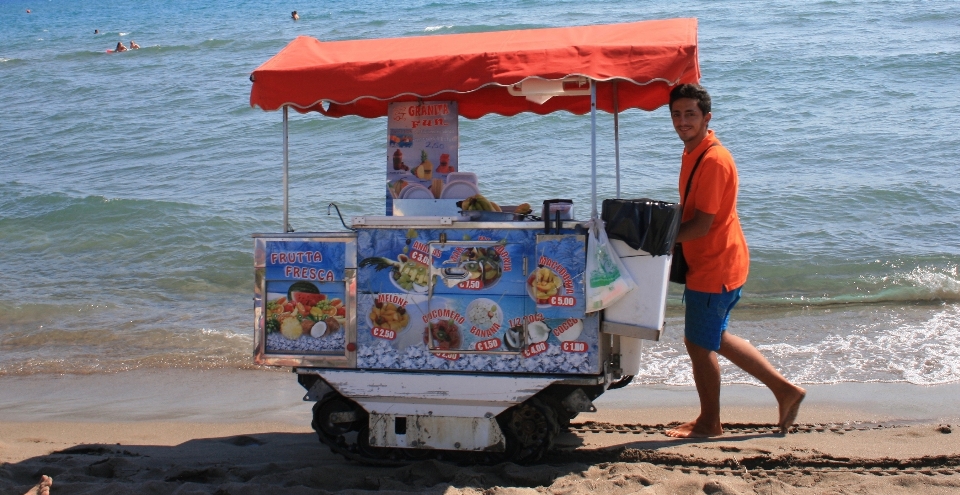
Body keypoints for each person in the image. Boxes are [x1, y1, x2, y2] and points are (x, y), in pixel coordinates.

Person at [664, 83, 806, 438]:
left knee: (699, 344)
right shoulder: (693, 152)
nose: (683, 122)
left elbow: (701, 225)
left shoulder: (712, 160)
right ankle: (786, 391)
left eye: (690, 115)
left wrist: (657, 240)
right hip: (718, 261)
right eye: (677, 114)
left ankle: (710, 423)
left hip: (717, 266)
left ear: (706, 118)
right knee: (715, 337)